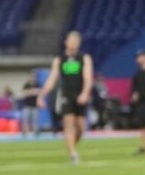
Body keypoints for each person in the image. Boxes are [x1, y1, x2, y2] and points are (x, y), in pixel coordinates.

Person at [36, 31, 94, 164]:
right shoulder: (59, 59)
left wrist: (85, 93)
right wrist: (41, 96)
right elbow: (52, 79)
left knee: (80, 127)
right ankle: (73, 154)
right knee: (69, 124)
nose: (73, 44)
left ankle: (71, 145)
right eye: (71, 41)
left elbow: (88, 77)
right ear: (66, 42)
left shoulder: (84, 58)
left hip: (80, 95)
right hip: (66, 95)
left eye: (76, 41)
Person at [15, 70, 40, 138]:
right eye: (31, 76)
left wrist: (29, 92)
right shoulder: (26, 85)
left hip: (35, 106)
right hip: (27, 105)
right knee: (25, 119)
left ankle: (36, 133)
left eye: (34, 77)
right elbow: (23, 93)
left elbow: (38, 92)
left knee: (35, 120)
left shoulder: (37, 84)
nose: (32, 78)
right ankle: (24, 132)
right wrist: (31, 92)